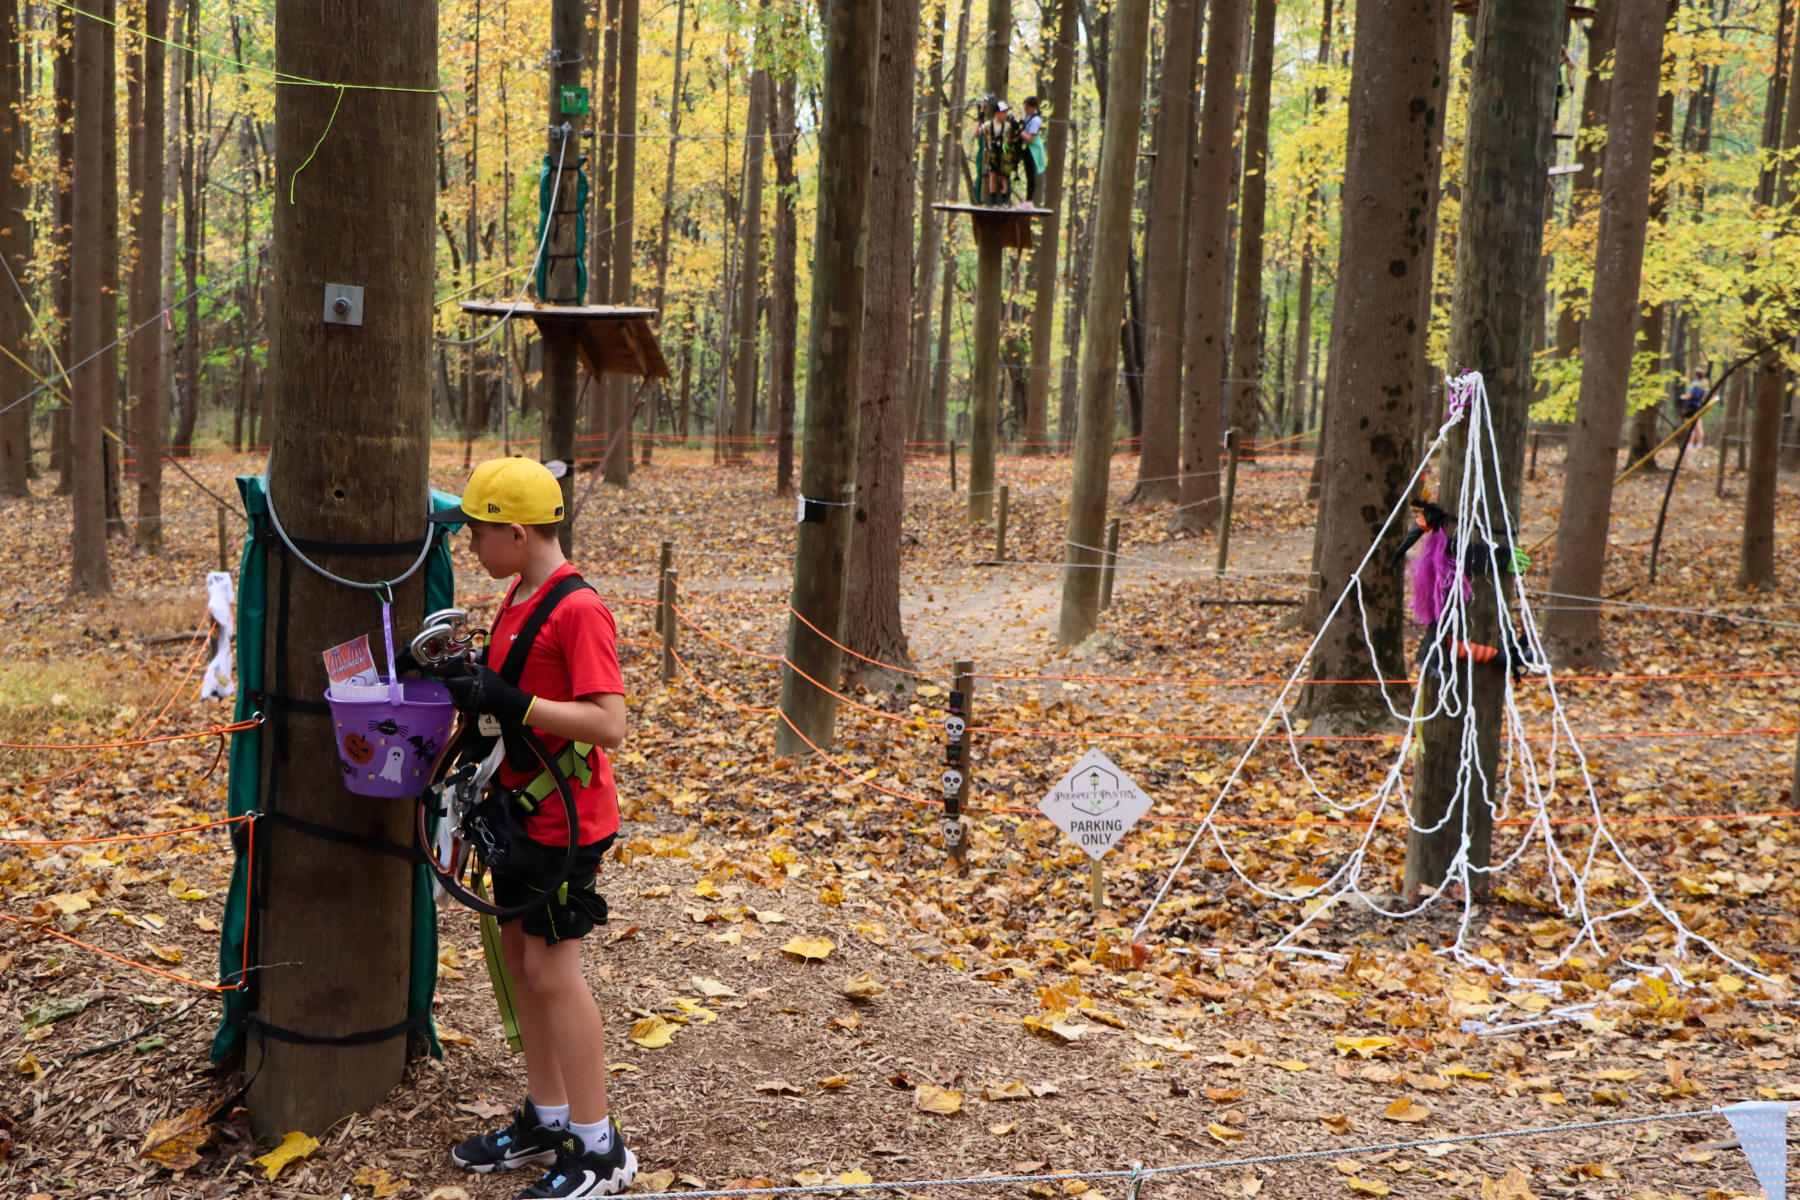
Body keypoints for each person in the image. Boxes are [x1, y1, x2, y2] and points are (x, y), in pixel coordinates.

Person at [427, 457, 637, 1200]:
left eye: (477, 535)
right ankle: (549, 1118)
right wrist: (472, 683)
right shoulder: (518, 593)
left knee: (553, 972)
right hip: (520, 813)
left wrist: (510, 702)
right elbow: (514, 689)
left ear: (516, 533)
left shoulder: (579, 609)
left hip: (567, 823)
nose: (471, 549)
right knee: (522, 966)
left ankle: (599, 1145)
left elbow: (608, 722)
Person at [975, 97, 1017, 205]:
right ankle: (992, 198)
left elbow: (1013, 139)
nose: (1006, 115)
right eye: (1004, 112)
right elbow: (976, 133)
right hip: (993, 153)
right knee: (993, 175)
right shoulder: (989, 125)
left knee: (1003, 176)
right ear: (997, 113)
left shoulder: (1008, 126)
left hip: (1005, 153)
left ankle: (1003, 199)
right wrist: (980, 117)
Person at [1016, 96, 1047, 207]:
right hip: (1026, 148)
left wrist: (1019, 131)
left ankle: (1029, 201)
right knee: (1028, 174)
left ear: (1034, 108)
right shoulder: (1028, 117)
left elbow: (1030, 138)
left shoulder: (1035, 120)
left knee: (1031, 175)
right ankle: (1028, 200)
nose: (1026, 111)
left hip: (1032, 149)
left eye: (1028, 109)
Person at [1679, 367, 1708, 450]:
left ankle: (1690, 445)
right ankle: (1700, 444)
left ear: (1695, 375)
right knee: (1698, 426)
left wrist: (1682, 397)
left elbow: (1689, 396)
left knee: (1689, 426)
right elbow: (1705, 396)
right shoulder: (1704, 384)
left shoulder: (1694, 383)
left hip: (1690, 406)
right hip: (1698, 406)